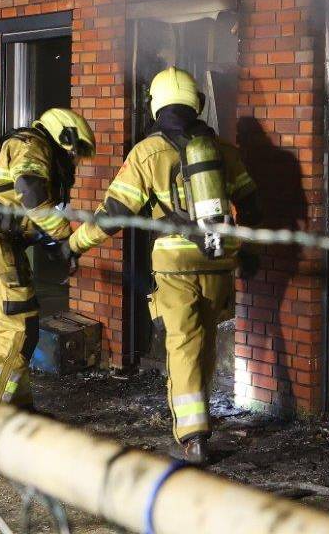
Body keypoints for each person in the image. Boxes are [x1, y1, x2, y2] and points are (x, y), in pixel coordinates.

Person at [68, 67, 260, 464]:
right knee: (204, 341)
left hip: (175, 263)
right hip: (219, 261)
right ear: (196, 103)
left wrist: (75, 245)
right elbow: (252, 205)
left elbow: (114, 213)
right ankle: (200, 421)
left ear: (155, 105)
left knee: (183, 344)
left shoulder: (147, 152)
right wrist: (246, 251)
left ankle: (192, 437)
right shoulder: (223, 150)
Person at [0, 108, 95, 408]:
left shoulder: (21, 146)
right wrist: (65, 238)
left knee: (1, 334)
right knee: (18, 331)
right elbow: (30, 191)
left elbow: (25, 212)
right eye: (73, 152)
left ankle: (18, 410)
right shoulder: (33, 145)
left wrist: (56, 247)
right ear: (62, 135)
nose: (73, 160)